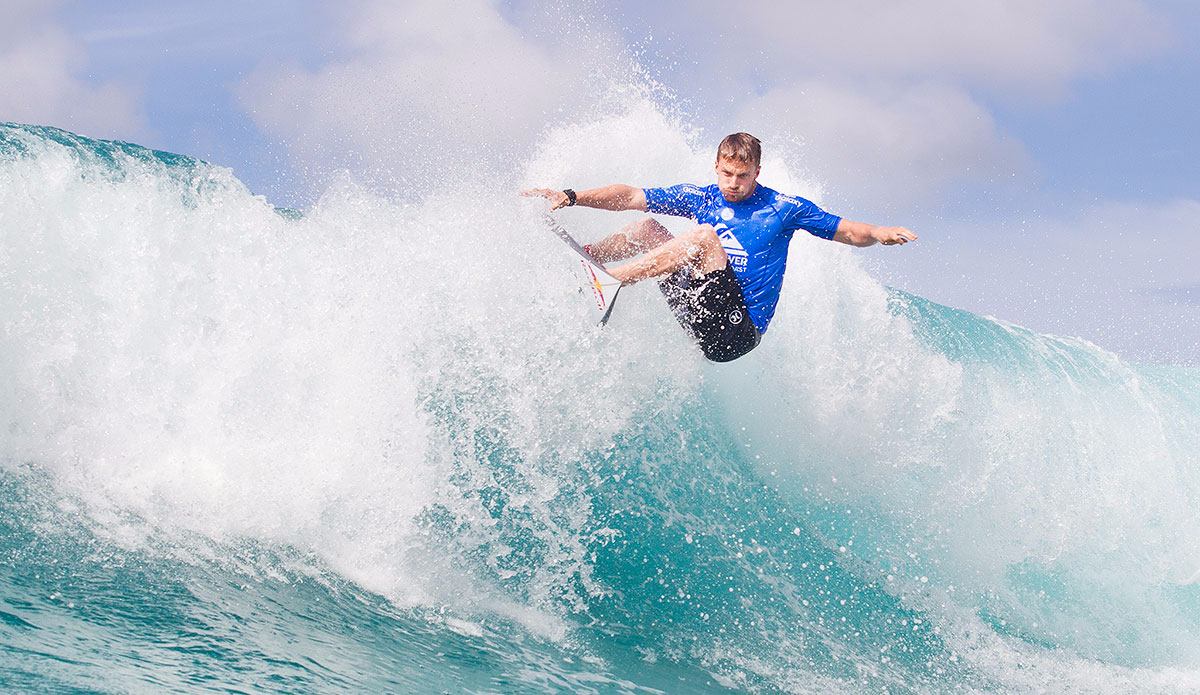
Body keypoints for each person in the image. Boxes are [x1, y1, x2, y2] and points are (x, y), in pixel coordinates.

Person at [522, 133, 916, 362]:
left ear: (757, 172)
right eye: (727, 173)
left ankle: (611, 282)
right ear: (716, 167)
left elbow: (846, 230)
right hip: (700, 306)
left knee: (702, 237)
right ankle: (586, 259)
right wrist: (571, 195)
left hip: (736, 332)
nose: (733, 183)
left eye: (743, 176)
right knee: (646, 226)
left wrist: (880, 232)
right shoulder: (702, 197)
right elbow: (629, 196)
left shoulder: (783, 209)